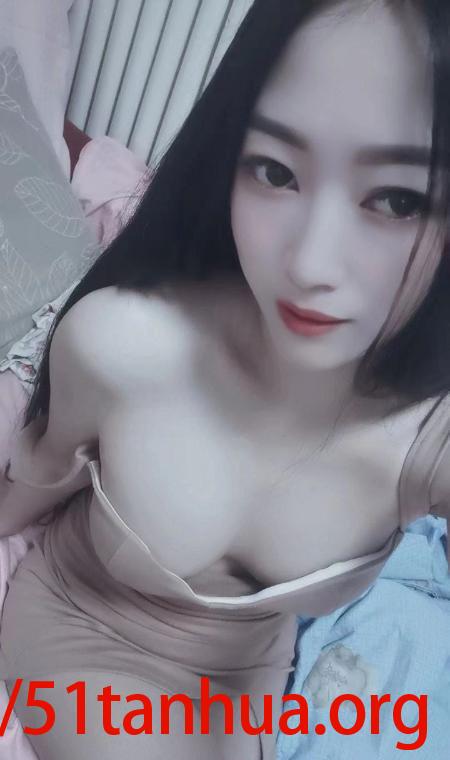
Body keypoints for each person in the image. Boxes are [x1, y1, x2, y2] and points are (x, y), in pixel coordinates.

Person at [1, 0, 449, 757]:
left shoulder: (427, 434)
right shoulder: (124, 341)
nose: (311, 264)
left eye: (397, 199)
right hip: (87, 637)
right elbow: (35, 481)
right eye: (275, 172)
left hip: (249, 680)